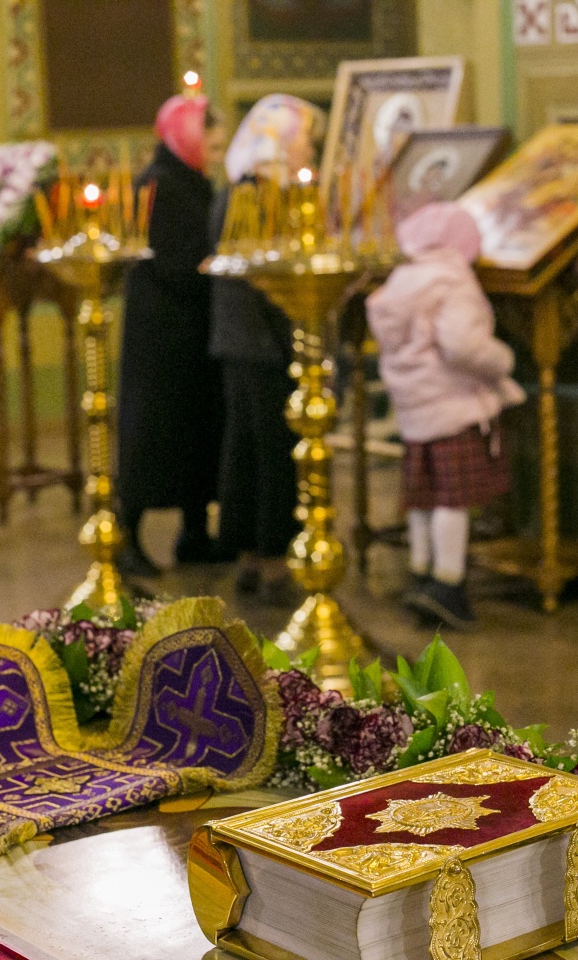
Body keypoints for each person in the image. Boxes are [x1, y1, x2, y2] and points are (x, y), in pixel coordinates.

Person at [365, 202, 525, 629]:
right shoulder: (453, 281)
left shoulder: (402, 279)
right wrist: (502, 360)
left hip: (415, 407)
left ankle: (420, 573)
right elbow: (462, 344)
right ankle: (448, 585)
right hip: (452, 405)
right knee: (452, 500)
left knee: (422, 497)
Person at [210, 94, 326, 604]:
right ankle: (275, 560)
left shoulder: (240, 187)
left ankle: (250, 555)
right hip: (265, 338)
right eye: (306, 140)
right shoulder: (261, 194)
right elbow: (270, 273)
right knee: (275, 451)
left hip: (240, 338)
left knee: (246, 447)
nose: (311, 151)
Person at [115, 93, 231, 578]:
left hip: (193, 325)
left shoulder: (191, 179)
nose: (219, 154)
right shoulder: (160, 184)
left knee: (200, 429)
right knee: (153, 435)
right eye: (214, 143)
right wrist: (213, 266)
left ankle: (195, 533)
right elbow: (174, 259)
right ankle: (126, 537)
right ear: (186, 136)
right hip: (161, 333)